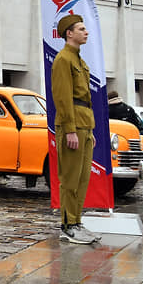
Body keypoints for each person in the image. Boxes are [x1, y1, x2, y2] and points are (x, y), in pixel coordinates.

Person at [51, 14, 99, 245]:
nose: (85, 32)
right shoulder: (63, 60)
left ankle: (77, 222)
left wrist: (90, 130)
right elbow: (62, 98)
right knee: (70, 178)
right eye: (81, 29)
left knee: (82, 178)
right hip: (72, 125)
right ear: (69, 33)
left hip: (84, 125)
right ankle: (68, 225)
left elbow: (85, 99)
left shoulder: (78, 60)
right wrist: (70, 130)